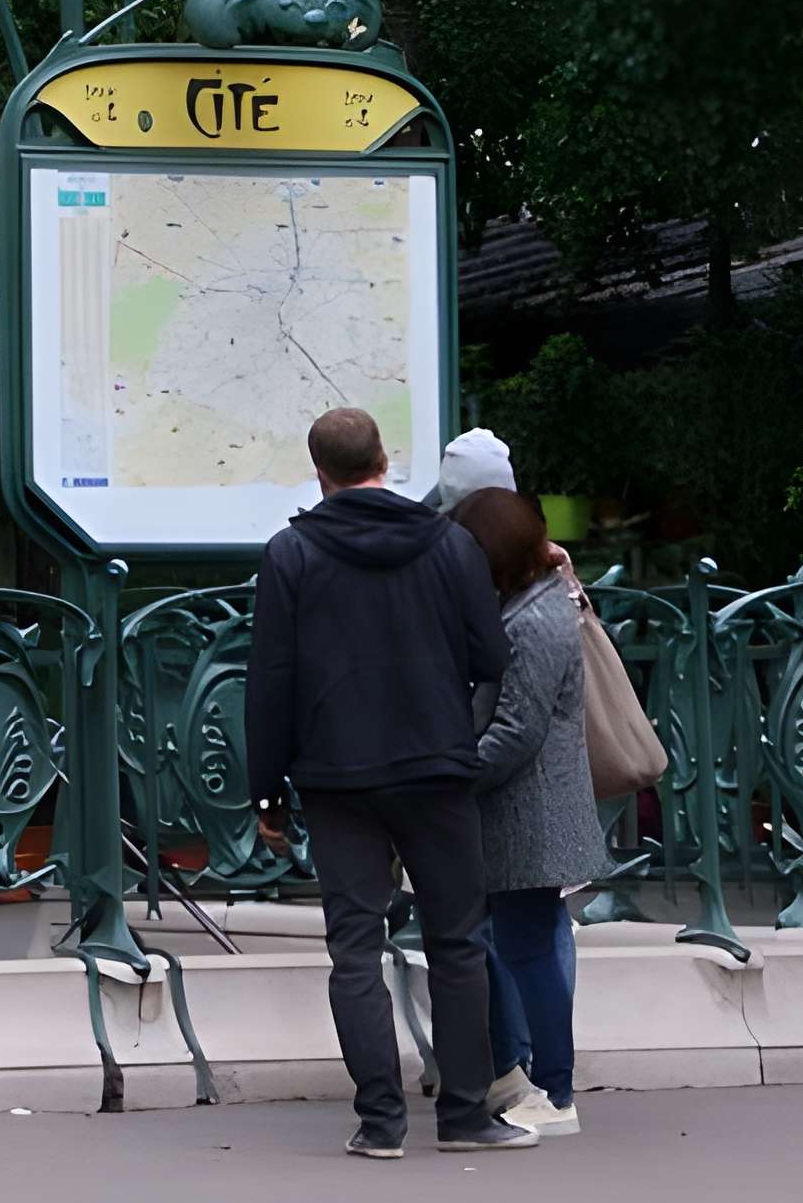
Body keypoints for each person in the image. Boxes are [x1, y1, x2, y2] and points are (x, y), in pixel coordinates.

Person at [246, 407, 533, 1158]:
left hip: (337, 779)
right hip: (437, 768)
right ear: (385, 458)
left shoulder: (290, 554)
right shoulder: (451, 545)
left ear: (320, 473)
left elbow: (270, 682)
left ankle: (380, 1123)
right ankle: (467, 1115)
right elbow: (493, 657)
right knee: (457, 944)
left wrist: (268, 792)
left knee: (353, 950)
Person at [456, 485, 607, 1139]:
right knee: (524, 948)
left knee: (527, 951)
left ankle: (553, 1090)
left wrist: (453, 777)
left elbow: (516, 733)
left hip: (531, 816)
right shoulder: (535, 604)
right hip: (530, 813)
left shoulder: (536, 620)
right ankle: (535, 1079)